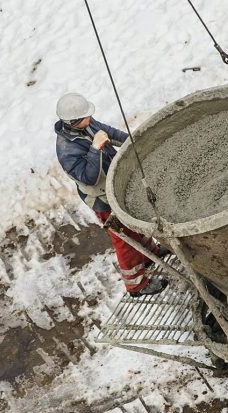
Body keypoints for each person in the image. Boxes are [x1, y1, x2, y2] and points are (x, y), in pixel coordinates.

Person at [54, 92, 168, 297]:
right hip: (103, 199)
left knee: (135, 220)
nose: (90, 118)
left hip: (116, 186)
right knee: (124, 238)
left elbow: (108, 133)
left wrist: (133, 142)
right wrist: (95, 148)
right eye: (86, 117)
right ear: (74, 121)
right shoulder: (67, 150)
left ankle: (149, 253)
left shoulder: (86, 124)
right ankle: (136, 285)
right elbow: (89, 177)